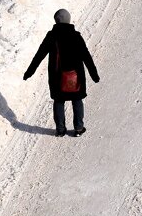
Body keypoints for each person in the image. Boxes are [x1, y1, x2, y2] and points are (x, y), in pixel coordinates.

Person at [23, 9, 100, 137]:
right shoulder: (76, 36)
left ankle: (60, 129)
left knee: (59, 101)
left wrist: (29, 72)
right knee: (77, 100)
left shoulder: (51, 36)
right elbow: (87, 57)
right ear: (68, 20)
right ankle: (79, 128)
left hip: (56, 76)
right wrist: (94, 75)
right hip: (75, 76)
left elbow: (39, 55)